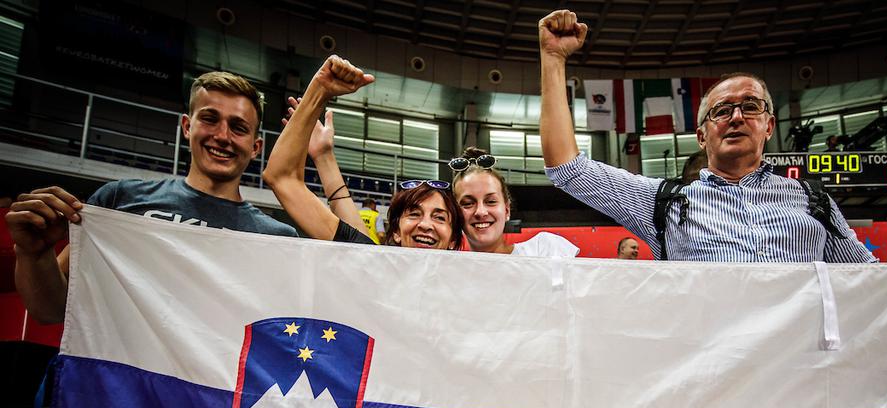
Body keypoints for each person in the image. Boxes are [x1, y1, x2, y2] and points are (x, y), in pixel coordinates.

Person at [537, 10, 876, 264]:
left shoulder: (813, 201)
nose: (737, 116)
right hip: (714, 359)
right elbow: (569, 170)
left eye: (751, 106)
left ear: (769, 126)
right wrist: (553, 59)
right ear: (701, 136)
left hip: (798, 358)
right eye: (721, 111)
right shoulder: (662, 202)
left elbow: (871, 284)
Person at [7, 70, 335, 325]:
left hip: (213, 406)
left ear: (255, 146)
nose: (222, 136)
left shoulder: (277, 238)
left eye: (238, 127)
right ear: (187, 126)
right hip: (116, 403)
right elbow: (50, 310)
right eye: (209, 119)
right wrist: (34, 254)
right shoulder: (120, 201)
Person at [264, 56, 463, 252]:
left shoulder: (473, 278)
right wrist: (319, 90)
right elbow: (282, 178)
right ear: (395, 232)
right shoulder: (372, 263)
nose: (426, 225)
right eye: (414, 214)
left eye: (439, 217)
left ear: (454, 239)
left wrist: (324, 157)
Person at [451, 147, 578, 258]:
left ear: (506, 210)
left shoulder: (543, 250)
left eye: (490, 201)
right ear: (456, 214)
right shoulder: (449, 271)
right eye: (468, 203)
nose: (481, 212)